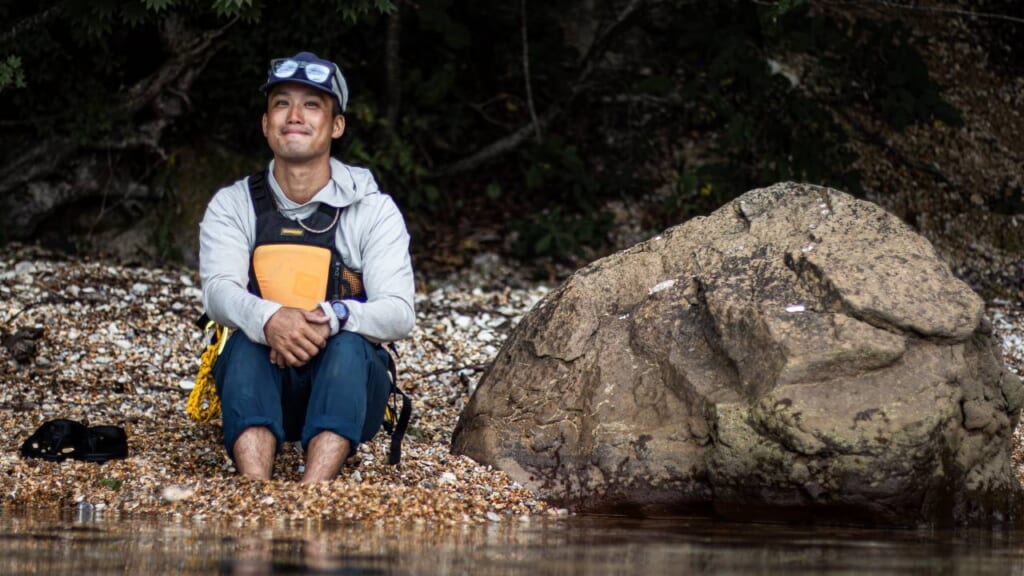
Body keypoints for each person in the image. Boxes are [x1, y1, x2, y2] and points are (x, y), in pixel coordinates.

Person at [198, 51, 415, 483]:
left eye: (312, 104)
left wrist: (334, 318)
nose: (294, 115)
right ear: (265, 124)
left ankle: (314, 490)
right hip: (262, 383)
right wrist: (271, 318)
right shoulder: (231, 204)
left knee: (351, 345)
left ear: (336, 126)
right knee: (240, 344)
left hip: (350, 392)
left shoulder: (374, 210)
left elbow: (399, 313)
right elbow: (218, 293)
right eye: (281, 103)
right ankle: (254, 487)